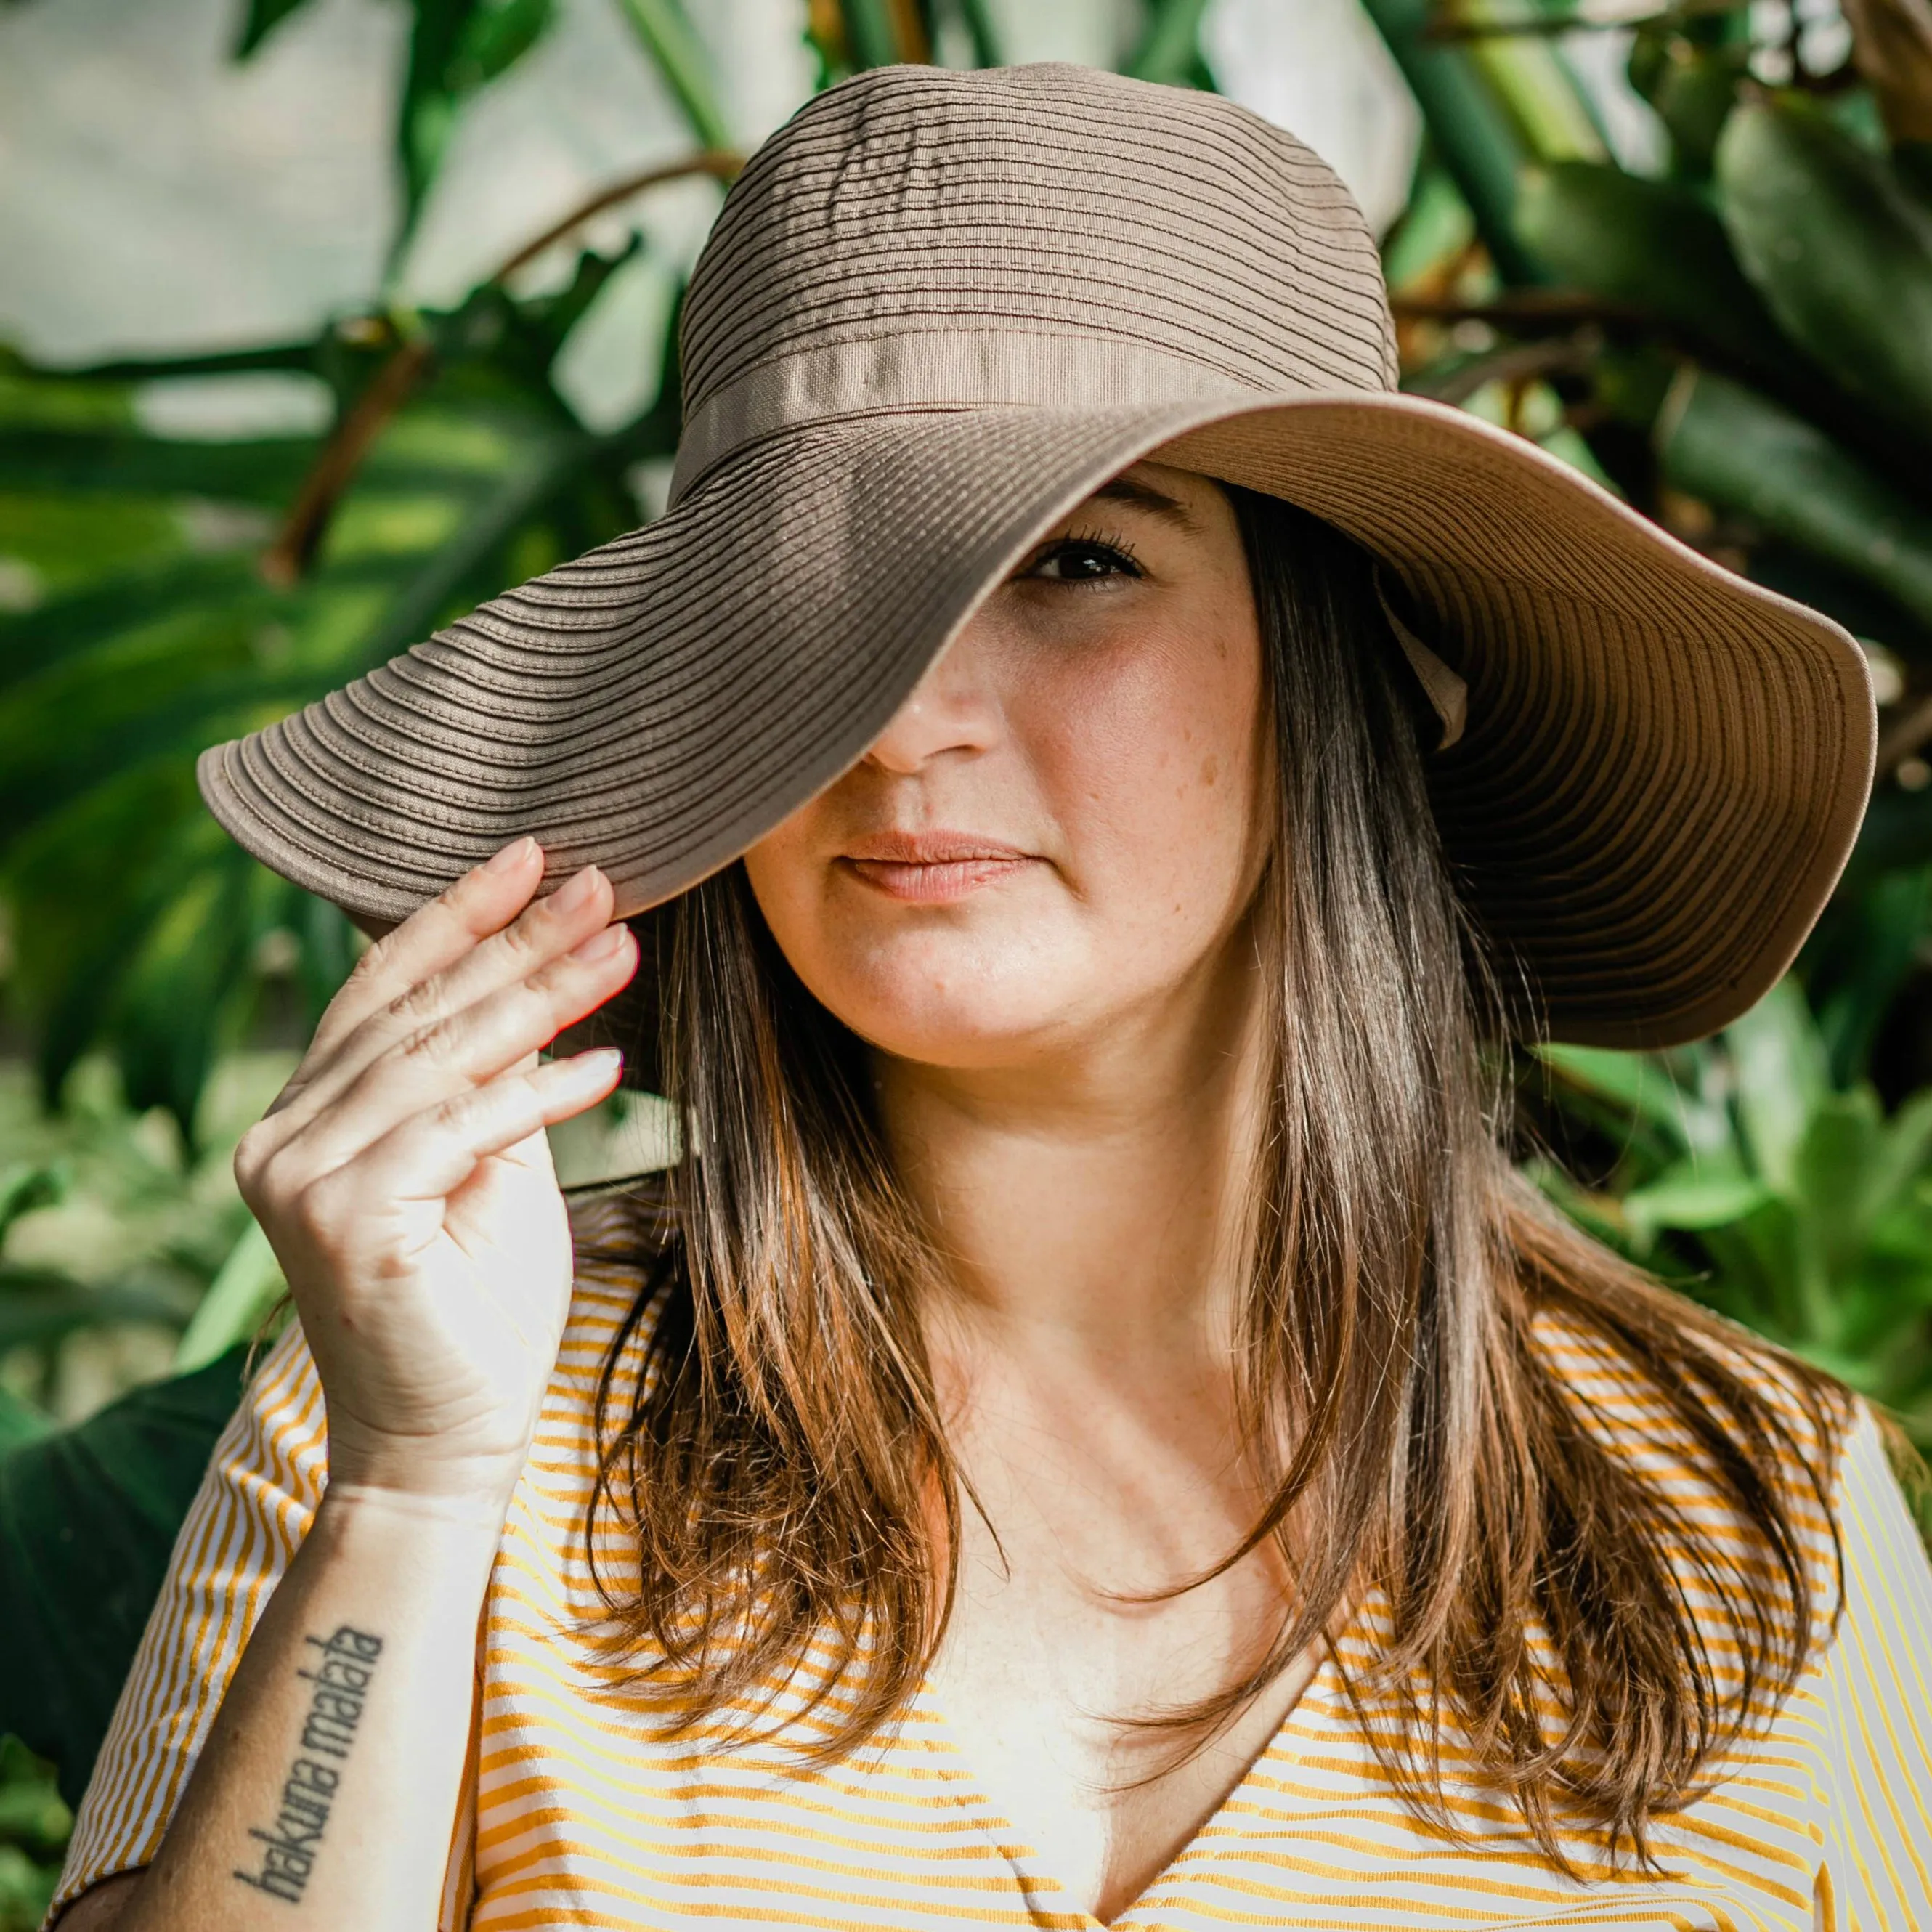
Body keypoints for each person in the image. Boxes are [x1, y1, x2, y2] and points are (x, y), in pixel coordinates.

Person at [50, 61, 1932, 1932]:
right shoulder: (422, 1410)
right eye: (815, 598)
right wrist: (405, 1494)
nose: (898, 716)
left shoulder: (1758, 1517)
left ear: (1331, 665)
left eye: (1072, 563)